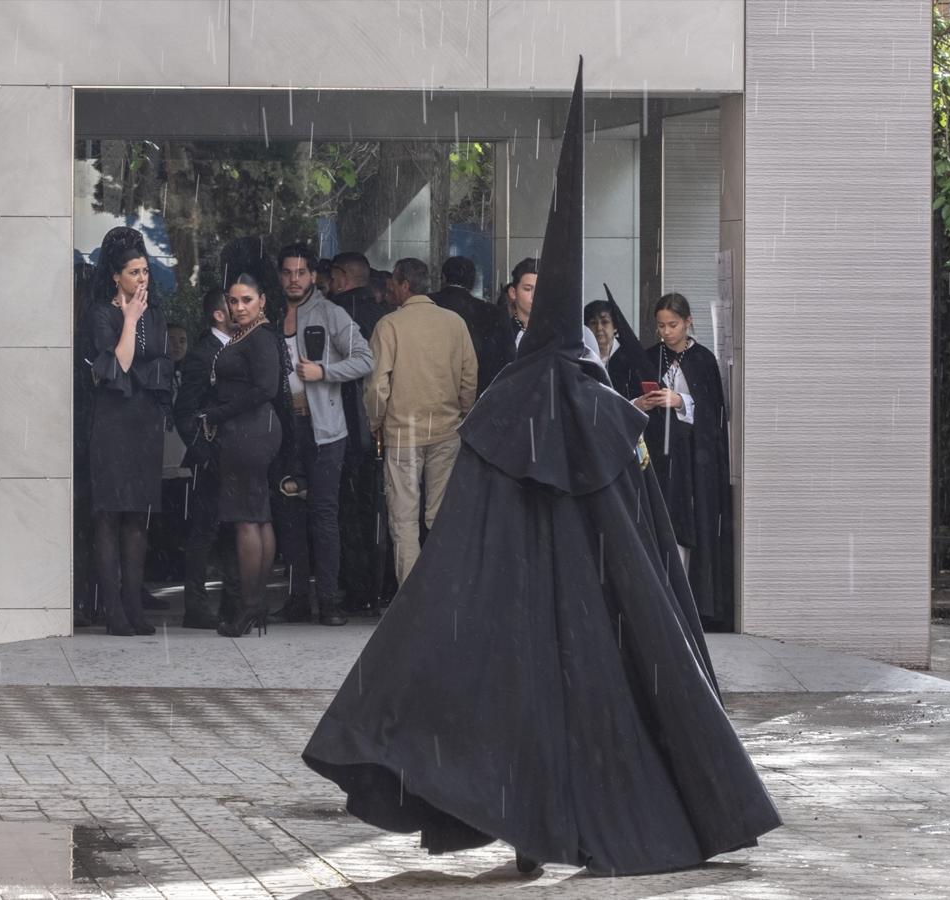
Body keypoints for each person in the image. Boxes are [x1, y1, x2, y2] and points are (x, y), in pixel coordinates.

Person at [303, 61, 779, 877]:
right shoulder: (580, 404)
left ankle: (533, 831)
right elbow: (639, 536)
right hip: (574, 610)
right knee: (576, 708)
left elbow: (520, 529)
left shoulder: (529, 403)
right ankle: (566, 826)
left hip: (532, 611)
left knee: (528, 707)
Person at [274, 243, 374, 626]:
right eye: (288, 272)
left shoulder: (330, 313)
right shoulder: (269, 316)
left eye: (301, 272)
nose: (294, 279)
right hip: (284, 429)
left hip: (326, 430)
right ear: (280, 276)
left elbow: (365, 358)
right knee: (289, 515)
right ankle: (297, 598)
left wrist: (324, 372)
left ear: (313, 276)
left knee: (324, 515)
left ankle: (329, 600)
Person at [81, 226, 174, 636]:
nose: (142, 279)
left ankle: (136, 606)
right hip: (111, 423)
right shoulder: (101, 313)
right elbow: (115, 365)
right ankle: (112, 609)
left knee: (138, 516)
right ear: (116, 276)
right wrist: (129, 318)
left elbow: (162, 363)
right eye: (134, 272)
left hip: (144, 421)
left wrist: (142, 366)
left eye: (145, 271)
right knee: (109, 516)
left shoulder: (155, 314)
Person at [366, 258, 477, 583]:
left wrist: (376, 420)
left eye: (392, 285)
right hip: (447, 432)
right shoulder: (454, 322)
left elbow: (377, 385)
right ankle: (445, 591)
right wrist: (461, 411)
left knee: (403, 520)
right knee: (443, 516)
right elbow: (469, 377)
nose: (389, 291)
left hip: (402, 433)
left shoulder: (389, 326)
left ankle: (409, 600)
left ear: (403, 285)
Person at [634, 292, 734, 629]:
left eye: (673, 325)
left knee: (689, 522)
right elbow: (627, 402)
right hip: (660, 459)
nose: (666, 332)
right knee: (660, 522)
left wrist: (680, 401)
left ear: (688, 321)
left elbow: (713, 413)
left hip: (693, 462)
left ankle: (688, 600)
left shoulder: (703, 360)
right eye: (661, 325)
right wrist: (642, 403)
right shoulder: (650, 358)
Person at [199, 273, 284, 638]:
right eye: (233, 301)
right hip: (251, 430)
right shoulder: (248, 336)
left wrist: (216, 414)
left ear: (262, 300)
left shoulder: (261, 337)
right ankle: (255, 605)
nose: (239, 307)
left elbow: (265, 387)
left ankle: (249, 607)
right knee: (258, 516)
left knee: (248, 519)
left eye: (246, 300)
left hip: (250, 432)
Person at [173, 288, 242, 629]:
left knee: (230, 529)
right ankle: (196, 606)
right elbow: (184, 411)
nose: (240, 310)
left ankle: (232, 601)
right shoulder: (203, 355)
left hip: (235, 455)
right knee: (204, 533)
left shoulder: (238, 348)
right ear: (218, 314)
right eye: (233, 304)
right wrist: (204, 452)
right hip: (211, 457)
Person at [325, 250, 387, 617]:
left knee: (343, 512)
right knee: (378, 511)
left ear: (342, 277)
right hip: (377, 427)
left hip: (341, 424)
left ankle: (351, 587)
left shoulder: (332, 315)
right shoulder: (384, 317)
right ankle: (379, 588)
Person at [430, 256, 512, 397]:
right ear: (473, 282)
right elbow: (507, 358)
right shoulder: (493, 313)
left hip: (432, 395)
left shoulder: (425, 306)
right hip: (480, 397)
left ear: (443, 278)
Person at [583, 286, 653, 401]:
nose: (599, 328)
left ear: (615, 327)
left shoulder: (631, 356)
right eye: (593, 323)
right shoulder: (581, 355)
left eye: (605, 322)